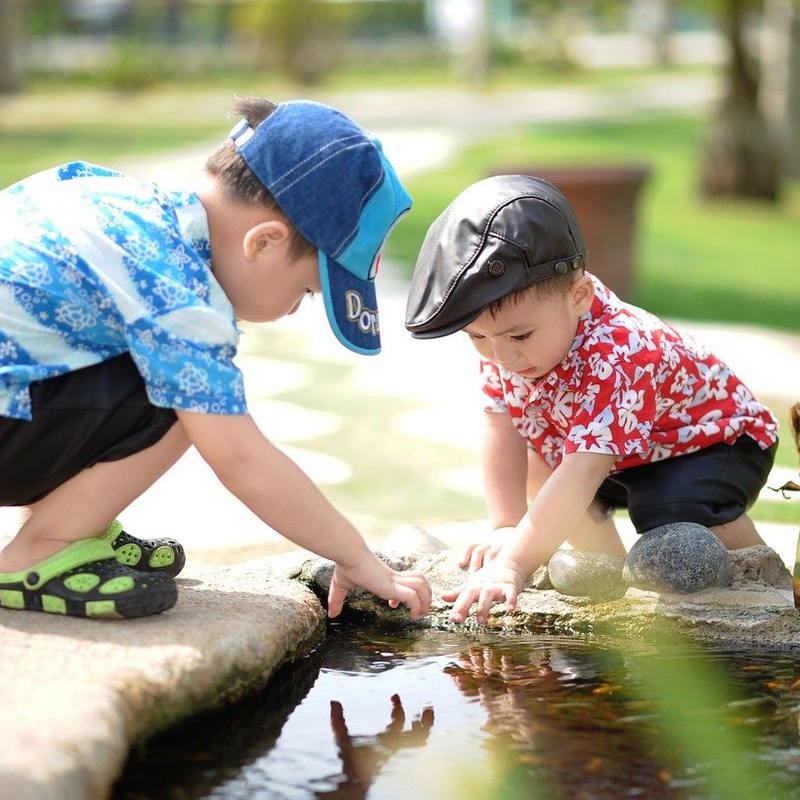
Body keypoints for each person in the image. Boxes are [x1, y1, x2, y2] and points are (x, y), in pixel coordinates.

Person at [0, 96, 432, 621]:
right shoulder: (179, 289)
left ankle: (69, 518)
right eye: (307, 292)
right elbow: (242, 461)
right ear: (265, 243)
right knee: (192, 403)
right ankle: (42, 550)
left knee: (133, 363)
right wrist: (357, 557)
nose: (295, 310)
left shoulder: (115, 198)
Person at [404, 174, 778, 625]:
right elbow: (500, 425)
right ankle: (610, 580)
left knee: (669, 512)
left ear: (579, 295)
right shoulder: (508, 344)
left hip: (713, 444)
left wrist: (514, 564)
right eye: (477, 337)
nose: (501, 355)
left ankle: (765, 584)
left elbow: (585, 468)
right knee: (541, 460)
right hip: (623, 454)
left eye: (519, 335)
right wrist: (507, 526)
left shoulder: (620, 350)